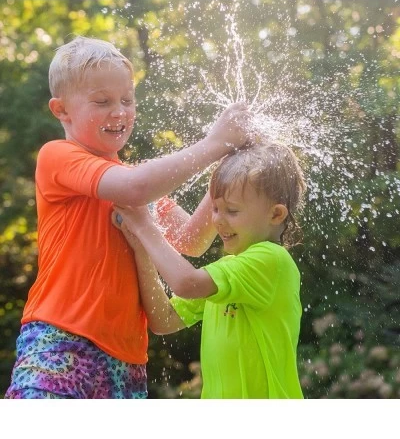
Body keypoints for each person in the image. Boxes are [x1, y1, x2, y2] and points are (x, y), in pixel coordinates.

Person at [4, 35, 254, 399]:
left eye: (127, 100)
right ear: (61, 110)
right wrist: (216, 142)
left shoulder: (137, 186)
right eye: (102, 102)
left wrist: (227, 161)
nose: (119, 111)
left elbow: (192, 240)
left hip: (126, 359)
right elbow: (134, 187)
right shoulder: (58, 156)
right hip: (60, 337)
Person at [113, 141, 306, 399]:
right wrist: (142, 252)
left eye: (232, 210)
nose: (217, 220)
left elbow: (186, 283)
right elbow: (164, 319)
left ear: (276, 214)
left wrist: (145, 227)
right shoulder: (227, 270)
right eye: (215, 208)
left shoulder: (272, 261)